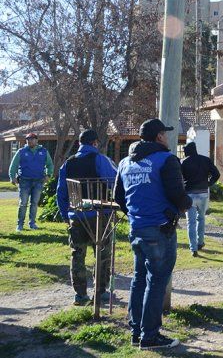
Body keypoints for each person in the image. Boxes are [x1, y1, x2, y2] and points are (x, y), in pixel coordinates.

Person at [114, 119, 192, 350]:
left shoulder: (126, 162)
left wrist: (138, 213)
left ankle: (136, 331)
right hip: (160, 228)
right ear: (159, 137)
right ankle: (150, 337)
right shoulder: (167, 159)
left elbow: (119, 198)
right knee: (157, 281)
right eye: (165, 134)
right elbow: (178, 194)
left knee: (140, 279)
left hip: (136, 228)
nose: (167, 138)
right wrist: (186, 204)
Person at [56, 129, 118, 306]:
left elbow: (61, 193)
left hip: (77, 215)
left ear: (79, 144)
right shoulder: (101, 159)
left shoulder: (68, 164)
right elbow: (115, 181)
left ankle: (80, 295)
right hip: (100, 214)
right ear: (95, 143)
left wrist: (65, 215)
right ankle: (101, 292)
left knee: (77, 255)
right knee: (103, 254)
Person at [181, 142, 220, 257]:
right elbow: (216, 174)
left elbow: (179, 177)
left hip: (190, 195)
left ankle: (193, 248)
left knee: (191, 222)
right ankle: (200, 242)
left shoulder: (184, 162)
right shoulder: (206, 160)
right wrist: (209, 183)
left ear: (187, 151)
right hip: (203, 193)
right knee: (201, 218)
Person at [9, 133, 53, 231]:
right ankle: (20, 224)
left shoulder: (44, 151)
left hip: (38, 181)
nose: (30, 141)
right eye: (28, 139)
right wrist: (12, 177)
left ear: (37, 140)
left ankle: (32, 223)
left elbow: (50, 165)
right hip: (24, 181)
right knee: (23, 203)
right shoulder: (21, 151)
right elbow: (13, 165)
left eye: (32, 139)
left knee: (34, 203)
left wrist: (48, 175)